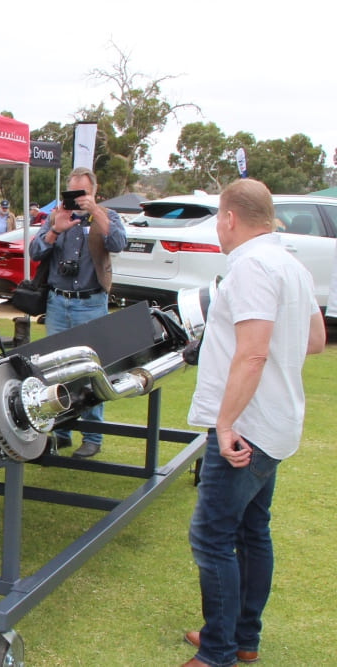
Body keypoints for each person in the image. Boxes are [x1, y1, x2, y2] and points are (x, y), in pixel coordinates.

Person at [180, 179, 326, 667]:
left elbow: (253, 352)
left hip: (246, 429)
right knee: (251, 531)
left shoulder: (250, 267)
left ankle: (218, 651)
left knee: (212, 537)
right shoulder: (292, 264)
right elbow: (314, 339)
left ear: (229, 218)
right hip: (275, 422)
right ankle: (242, 638)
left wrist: (224, 425)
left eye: (217, 220)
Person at [28, 167, 127, 458]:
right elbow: (35, 252)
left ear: (93, 192)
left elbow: (118, 243)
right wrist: (56, 229)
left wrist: (95, 211)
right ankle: (60, 433)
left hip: (91, 302)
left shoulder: (106, 216)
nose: (76, 200)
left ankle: (92, 436)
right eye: (72, 194)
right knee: (54, 369)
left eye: (82, 194)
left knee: (92, 369)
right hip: (58, 303)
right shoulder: (56, 217)